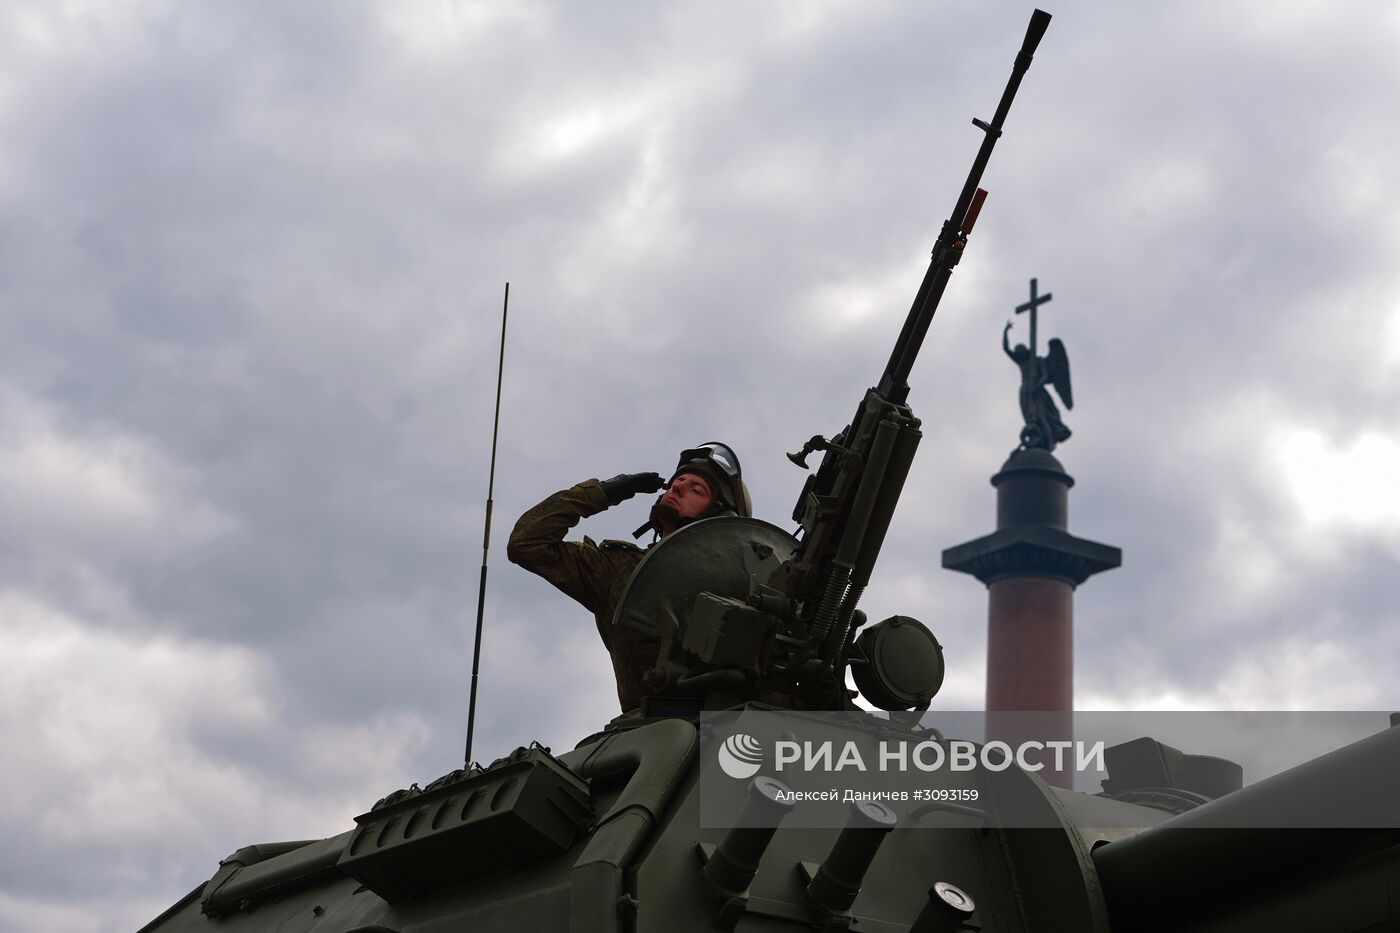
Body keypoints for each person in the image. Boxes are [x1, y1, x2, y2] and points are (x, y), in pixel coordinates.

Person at [507, 442, 751, 712]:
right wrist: (607, 491)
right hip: (653, 735)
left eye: (696, 489)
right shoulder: (622, 569)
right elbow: (527, 544)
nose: (677, 487)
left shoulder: (749, 582)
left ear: (718, 514)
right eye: (677, 482)